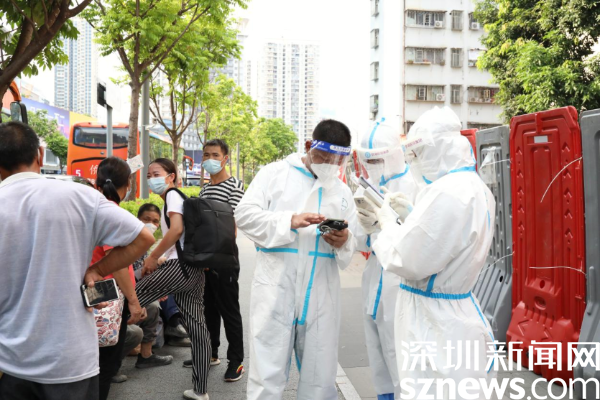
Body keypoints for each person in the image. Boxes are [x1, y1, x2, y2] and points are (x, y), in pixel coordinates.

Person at [0, 121, 155, 400]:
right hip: (71, 362)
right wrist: (98, 269)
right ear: (39, 155)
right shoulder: (80, 196)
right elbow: (143, 238)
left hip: (11, 363)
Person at [368, 107, 497, 399]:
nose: (415, 162)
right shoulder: (474, 187)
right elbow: (442, 241)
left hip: (434, 321)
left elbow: (408, 259)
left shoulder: (448, 192)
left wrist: (386, 226)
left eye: (419, 153)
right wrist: (411, 217)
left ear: (439, 149)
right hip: (455, 313)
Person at [235, 119, 358, 400]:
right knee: (267, 375)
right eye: (323, 157)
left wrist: (344, 240)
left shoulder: (341, 191)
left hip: (321, 295)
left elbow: (353, 241)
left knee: (320, 377)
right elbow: (244, 215)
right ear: (308, 146)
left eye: (336, 161)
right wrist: (288, 220)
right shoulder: (275, 174)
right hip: (276, 289)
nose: (329, 165)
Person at [134, 158, 211, 400]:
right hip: (194, 270)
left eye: (156, 173)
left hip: (179, 268)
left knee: (128, 300)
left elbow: (176, 230)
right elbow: (179, 238)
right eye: (148, 175)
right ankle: (200, 390)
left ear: (171, 176)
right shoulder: (180, 198)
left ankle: (102, 368)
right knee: (197, 328)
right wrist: (161, 257)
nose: (151, 178)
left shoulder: (172, 195)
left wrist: (152, 257)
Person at [354, 119, 417, 400]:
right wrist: (364, 228)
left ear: (392, 154)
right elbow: (359, 239)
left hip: (402, 281)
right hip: (374, 278)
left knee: (401, 354)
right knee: (378, 353)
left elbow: (423, 238)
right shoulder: (366, 185)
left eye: (377, 160)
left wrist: (396, 221)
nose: (373, 166)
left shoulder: (414, 183)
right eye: (368, 161)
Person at [183, 139, 245, 382]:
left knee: (229, 310)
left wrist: (213, 254)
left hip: (224, 257)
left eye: (215, 155)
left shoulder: (235, 186)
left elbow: (233, 226)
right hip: (205, 259)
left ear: (225, 158)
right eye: (206, 155)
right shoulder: (205, 189)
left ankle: (236, 362)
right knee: (208, 308)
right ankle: (210, 353)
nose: (209, 159)